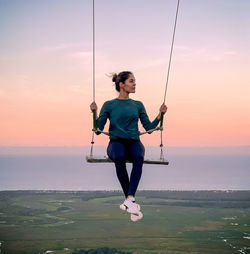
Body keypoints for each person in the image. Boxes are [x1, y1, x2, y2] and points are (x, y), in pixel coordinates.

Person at [90, 71, 167, 221]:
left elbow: (149, 128)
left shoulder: (137, 105)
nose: (134, 84)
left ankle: (129, 199)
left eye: (134, 81)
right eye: (131, 81)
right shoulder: (109, 105)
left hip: (134, 141)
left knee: (139, 156)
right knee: (119, 156)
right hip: (116, 142)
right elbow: (98, 130)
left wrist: (159, 115)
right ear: (121, 84)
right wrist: (95, 112)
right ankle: (130, 202)